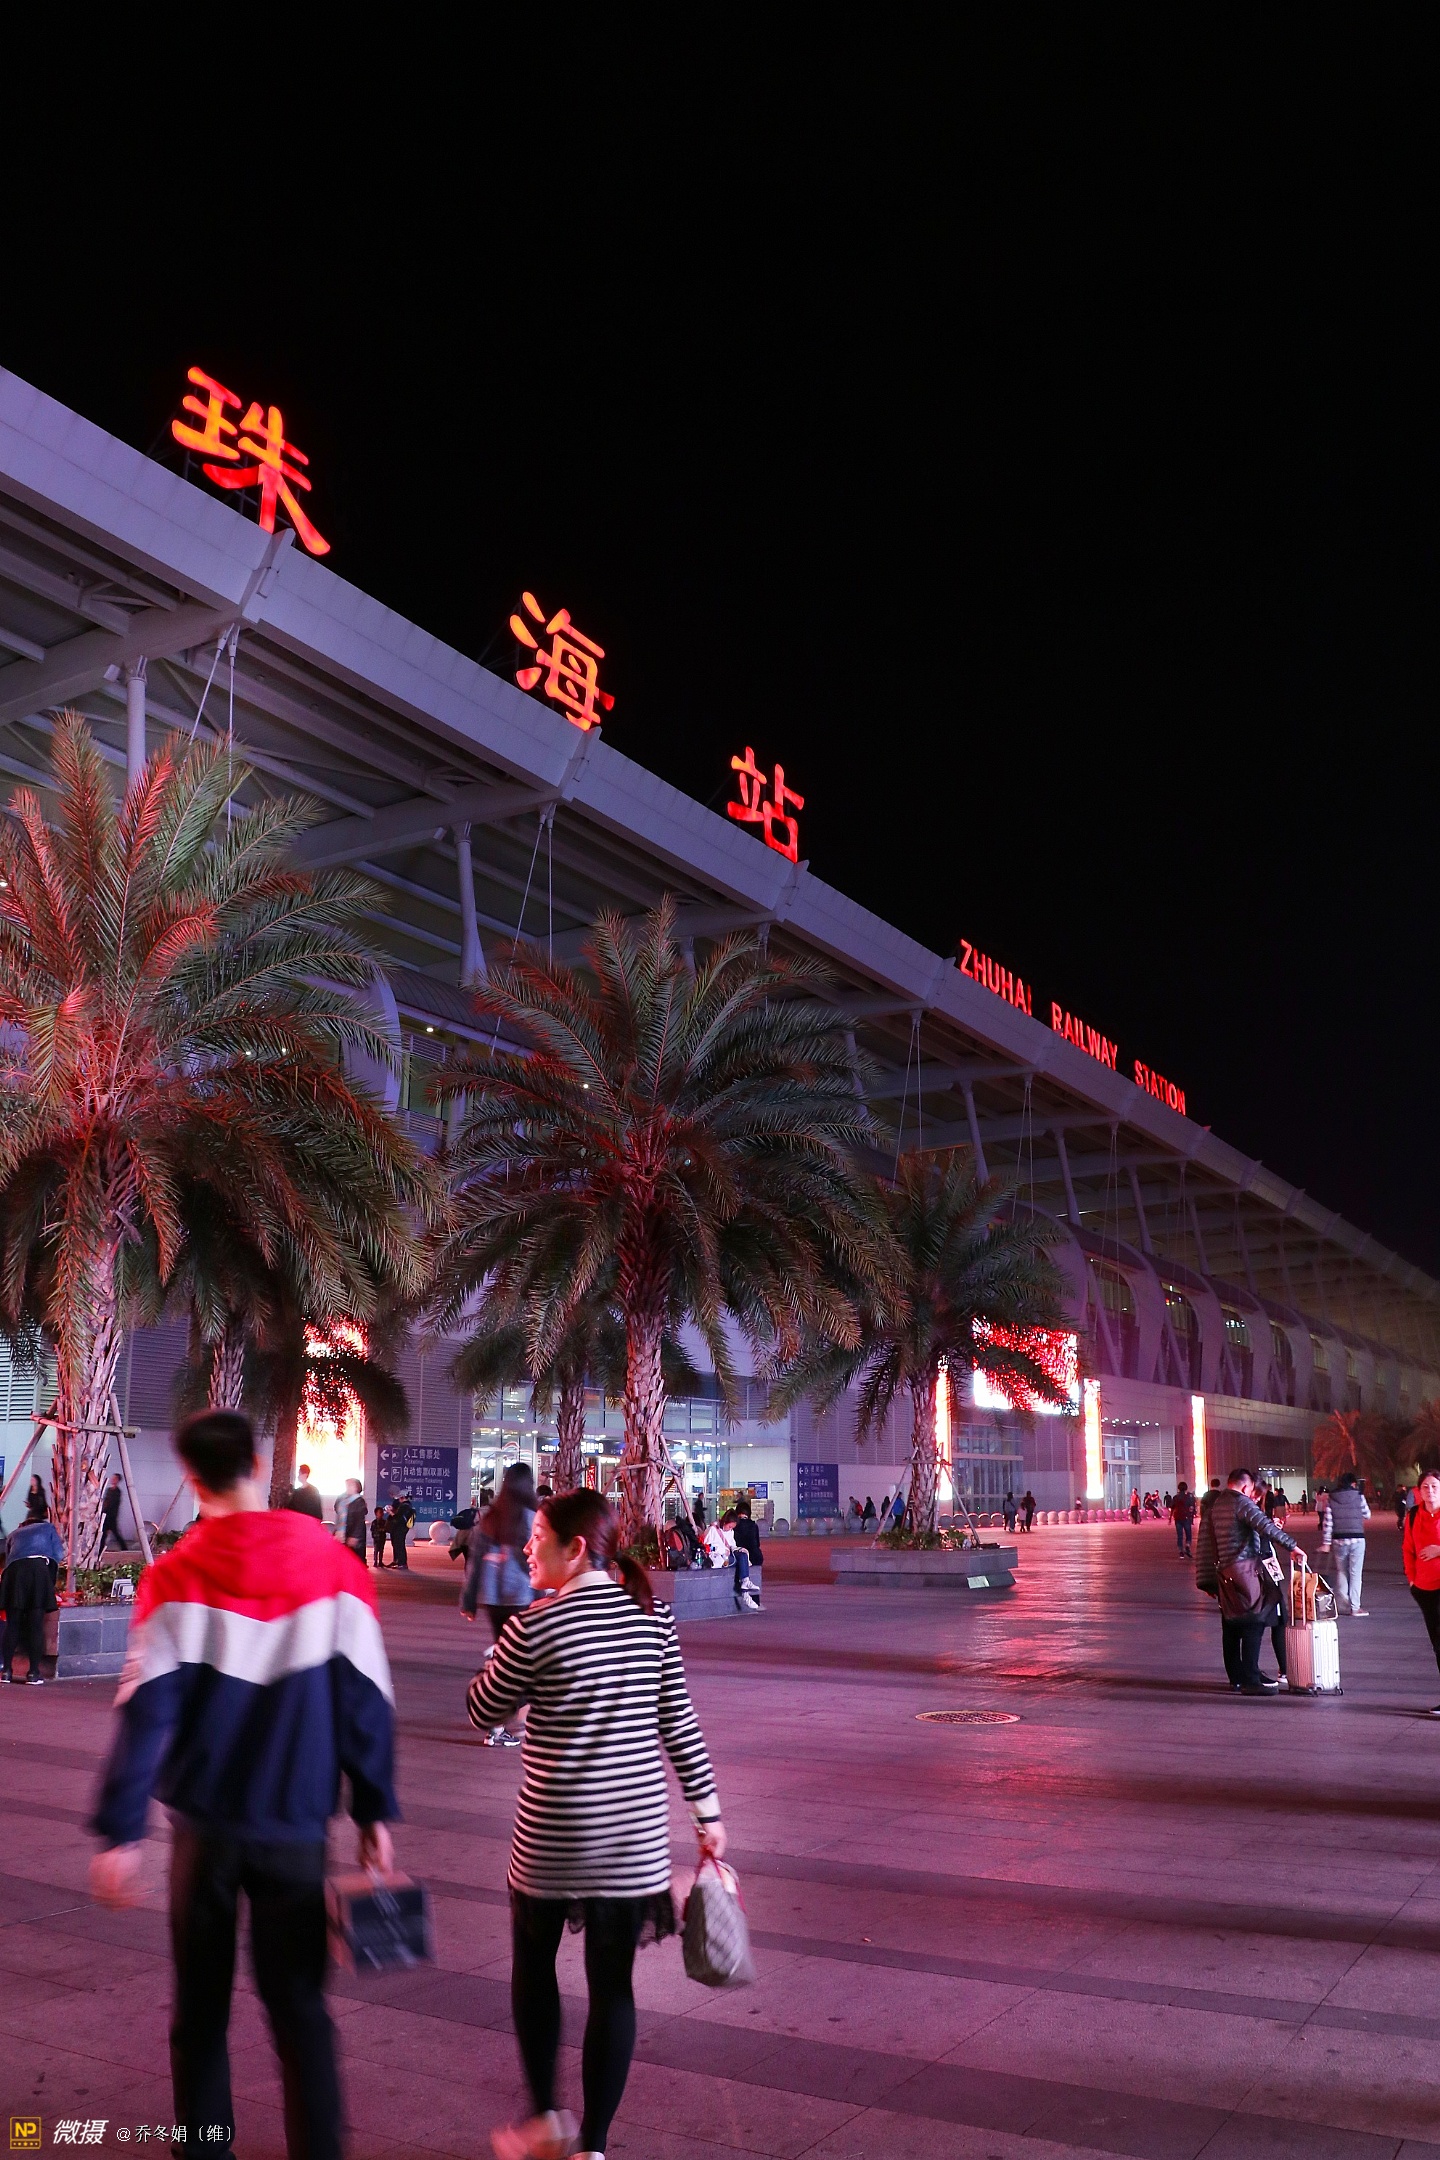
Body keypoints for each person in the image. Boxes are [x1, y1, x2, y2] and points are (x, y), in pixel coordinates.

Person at [88, 1409, 397, 2160]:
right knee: (300, 2008)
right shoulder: (336, 1569)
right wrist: (374, 1811)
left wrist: (122, 1832)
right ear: (258, 1467)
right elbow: (367, 1702)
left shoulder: (172, 1578)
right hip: (296, 1827)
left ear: (193, 1480)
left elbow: (146, 1713)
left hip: (206, 1831)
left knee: (200, 2011)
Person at [469, 1489, 724, 2160]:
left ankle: (546, 2117)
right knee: (613, 1987)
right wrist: (706, 1813)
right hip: (631, 1842)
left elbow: (483, 1709)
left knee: (534, 1967)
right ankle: (594, 2146)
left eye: (538, 1536)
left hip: (552, 1839)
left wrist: (502, 1668)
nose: (527, 1548)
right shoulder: (652, 1617)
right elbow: (678, 1721)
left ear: (575, 1548)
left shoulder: (534, 1625)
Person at [1194, 1466, 1303, 1694]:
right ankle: (1252, 1679)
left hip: (1223, 1574)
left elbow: (1204, 1545)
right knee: (1255, 1620)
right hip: (1245, 1571)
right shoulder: (1241, 1503)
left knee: (1231, 1624)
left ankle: (1237, 1677)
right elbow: (1265, 1526)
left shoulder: (1215, 1505)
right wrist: (1292, 1547)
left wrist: (1206, 1581)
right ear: (1245, 1487)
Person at [462, 1463, 538, 1745]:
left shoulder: (491, 1516)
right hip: (521, 1596)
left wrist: (469, 1599)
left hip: (493, 1598)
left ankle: (497, 1719)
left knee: (506, 1654)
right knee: (524, 1659)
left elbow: (474, 1559)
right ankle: (508, 1719)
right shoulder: (530, 1516)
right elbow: (532, 1557)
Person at [0, 1493, 63, 1683]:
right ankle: (33, 1673)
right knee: (36, 1625)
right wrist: (49, 1583)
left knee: (12, 1624)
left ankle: (6, 1672)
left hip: (14, 1573)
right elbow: (58, 1554)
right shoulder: (48, 1528)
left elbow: (8, 1559)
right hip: (38, 1571)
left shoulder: (14, 1534)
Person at [1403, 1470, 1440, 1713]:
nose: (1430, 1491)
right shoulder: (1414, 1515)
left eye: (1435, 1486)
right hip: (1424, 1588)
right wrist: (1412, 1580)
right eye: (1425, 1486)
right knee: (1437, 1645)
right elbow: (1408, 1548)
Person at [1321, 1469, 1370, 1616]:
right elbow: (1367, 1514)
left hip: (1339, 1539)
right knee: (1355, 1573)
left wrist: (1326, 1542)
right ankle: (1355, 1607)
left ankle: (1342, 1603)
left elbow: (1327, 1523)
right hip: (1357, 1538)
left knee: (1341, 1571)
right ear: (1353, 1484)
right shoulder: (1359, 1496)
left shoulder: (1331, 1498)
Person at [732, 1499, 764, 1603]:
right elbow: (757, 1543)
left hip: (741, 1556)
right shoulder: (753, 1525)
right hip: (755, 1556)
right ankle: (756, 1600)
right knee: (755, 1576)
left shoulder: (735, 1526)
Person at [98, 1473, 131, 1551]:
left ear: (118, 1480)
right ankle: (101, 1549)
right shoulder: (109, 1490)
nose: (112, 1479)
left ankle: (124, 1548)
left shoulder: (117, 1492)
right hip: (106, 1515)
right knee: (104, 1533)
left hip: (112, 1516)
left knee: (115, 1533)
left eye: (115, 1478)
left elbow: (114, 1505)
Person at [340, 1477, 368, 1562]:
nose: (347, 1488)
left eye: (350, 1485)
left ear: (356, 1487)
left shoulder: (359, 1501)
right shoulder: (345, 1501)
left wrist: (355, 1536)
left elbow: (359, 1521)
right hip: (346, 1534)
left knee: (355, 1560)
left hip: (354, 1536)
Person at [388, 1492, 415, 1570]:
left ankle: (402, 1563)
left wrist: (390, 1512)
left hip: (400, 1528)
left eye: (399, 1498)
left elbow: (397, 1517)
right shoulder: (407, 1505)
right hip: (402, 1527)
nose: (398, 1499)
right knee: (398, 1544)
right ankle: (398, 1561)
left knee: (399, 1545)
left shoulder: (404, 1506)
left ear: (402, 1497)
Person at [1171, 1481, 1196, 1558]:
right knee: (1188, 1534)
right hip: (1186, 1517)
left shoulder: (1175, 1497)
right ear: (1186, 1488)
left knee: (1180, 1535)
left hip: (1178, 1517)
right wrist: (1192, 1516)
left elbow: (1172, 1507)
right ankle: (1187, 1546)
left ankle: (1181, 1551)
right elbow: (1192, 1507)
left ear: (1178, 1488)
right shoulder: (1189, 1497)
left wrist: (1170, 1518)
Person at [370, 1501, 389, 1568]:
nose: (381, 1514)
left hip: (382, 1537)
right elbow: (373, 1529)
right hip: (376, 1538)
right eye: (379, 1512)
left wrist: (383, 1530)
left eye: (382, 1512)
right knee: (376, 1550)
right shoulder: (374, 1522)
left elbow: (386, 1528)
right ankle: (375, 1562)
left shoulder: (384, 1521)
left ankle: (380, 1562)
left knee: (381, 1550)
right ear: (376, 1514)